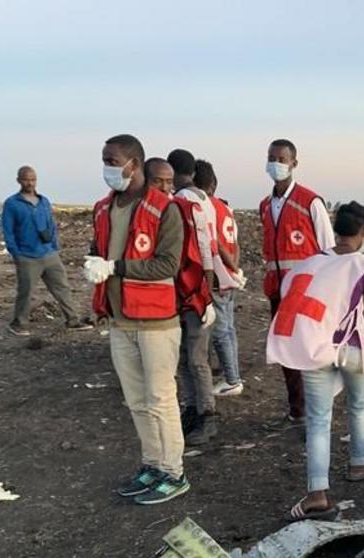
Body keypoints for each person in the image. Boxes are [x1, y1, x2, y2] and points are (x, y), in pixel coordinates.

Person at [82, 134, 189, 504]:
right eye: (104, 160)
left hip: (157, 321)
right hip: (120, 319)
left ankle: (174, 472)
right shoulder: (102, 209)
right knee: (136, 400)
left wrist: (115, 267)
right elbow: (99, 248)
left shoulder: (165, 209)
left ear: (134, 163)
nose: (107, 168)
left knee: (161, 398)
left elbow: (168, 264)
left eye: (113, 161)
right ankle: (152, 464)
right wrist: (94, 263)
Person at [266, 202, 364, 521]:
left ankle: (317, 493)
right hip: (353, 347)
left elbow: (290, 298)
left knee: (318, 420)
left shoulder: (306, 264)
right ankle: (359, 464)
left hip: (313, 347)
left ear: (336, 230)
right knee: (359, 405)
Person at [260, 139, 335, 424]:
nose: (276, 163)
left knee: (311, 351)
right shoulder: (266, 206)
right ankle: (298, 409)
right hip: (277, 292)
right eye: (271, 157)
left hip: (306, 293)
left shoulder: (310, 202)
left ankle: (317, 405)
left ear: (294, 163)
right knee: (284, 352)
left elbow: (328, 249)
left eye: (282, 158)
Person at [0, 165, 91, 336]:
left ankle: (73, 320)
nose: (30, 182)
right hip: (27, 256)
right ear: (19, 180)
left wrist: (55, 246)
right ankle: (18, 324)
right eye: (26, 179)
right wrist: (16, 253)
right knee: (26, 292)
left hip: (49, 253)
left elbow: (51, 224)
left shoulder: (44, 201)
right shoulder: (12, 204)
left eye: (33, 179)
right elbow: (8, 231)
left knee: (62, 287)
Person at [168, 148, 219, 445]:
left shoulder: (184, 203)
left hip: (192, 286)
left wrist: (205, 293)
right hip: (198, 286)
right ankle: (193, 410)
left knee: (194, 357)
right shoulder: (204, 200)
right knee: (189, 356)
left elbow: (202, 250)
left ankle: (206, 414)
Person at [194, 160, 245, 396]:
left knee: (221, 330)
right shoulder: (226, 208)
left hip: (218, 275)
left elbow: (215, 245)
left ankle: (233, 379)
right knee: (229, 328)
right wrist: (235, 269)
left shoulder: (205, 207)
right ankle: (231, 374)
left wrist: (228, 268)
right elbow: (234, 242)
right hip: (229, 275)